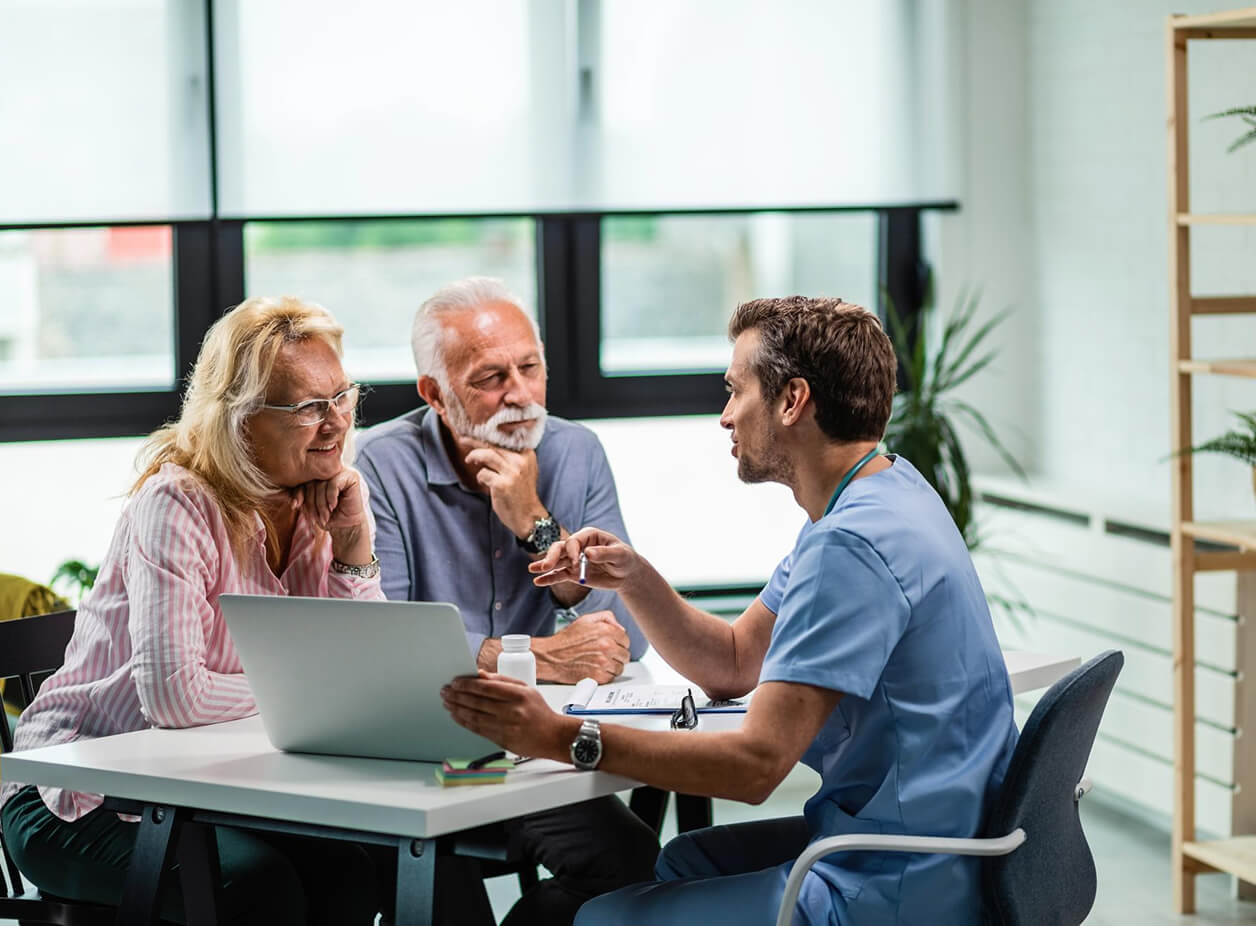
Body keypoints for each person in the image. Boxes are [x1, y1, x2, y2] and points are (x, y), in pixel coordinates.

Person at [441, 296, 1020, 925]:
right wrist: (634, 578)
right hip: (934, 840)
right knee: (681, 861)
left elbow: (754, 767)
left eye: (735, 390)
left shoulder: (850, 546)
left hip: (898, 877)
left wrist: (559, 737)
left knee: (598, 918)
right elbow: (734, 661)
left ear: (792, 401)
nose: (724, 416)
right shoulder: (882, 491)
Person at [0, 297, 383, 926]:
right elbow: (175, 698)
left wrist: (353, 549)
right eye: (310, 406)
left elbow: (364, 673)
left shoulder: (323, 495)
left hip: (211, 788)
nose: (336, 422)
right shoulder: (177, 503)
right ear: (240, 419)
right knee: (257, 888)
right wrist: (311, 694)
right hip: (77, 795)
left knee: (357, 871)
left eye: (343, 396)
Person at [356, 276, 658, 926]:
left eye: (530, 368)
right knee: (433, 868)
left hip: (533, 750)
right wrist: (536, 658)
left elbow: (629, 631)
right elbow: (386, 643)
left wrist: (537, 523)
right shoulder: (379, 466)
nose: (520, 395)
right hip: (427, 753)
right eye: (492, 377)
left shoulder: (576, 452)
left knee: (632, 860)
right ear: (435, 394)